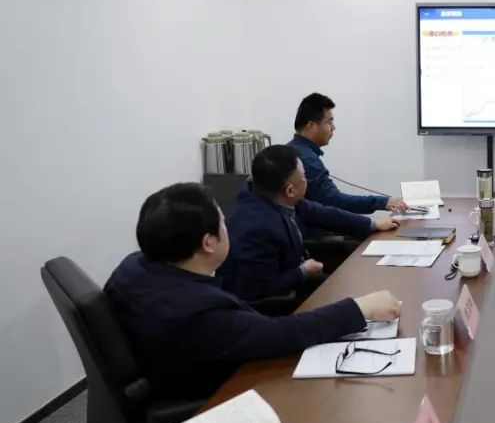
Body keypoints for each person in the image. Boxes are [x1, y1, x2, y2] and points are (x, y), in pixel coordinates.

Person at [105, 183, 402, 400]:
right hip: (221, 396)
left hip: (175, 370)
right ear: (208, 243)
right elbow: (279, 335)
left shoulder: (131, 269)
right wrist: (359, 308)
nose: (229, 227)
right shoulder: (200, 311)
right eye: (223, 223)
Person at [218, 144, 396, 303]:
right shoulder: (258, 227)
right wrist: (302, 271)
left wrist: (371, 224)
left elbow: (323, 213)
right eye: (304, 177)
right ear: (290, 190)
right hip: (270, 305)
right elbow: (254, 290)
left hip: (292, 275)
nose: (306, 181)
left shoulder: (268, 194)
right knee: (350, 296)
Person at [288, 93, 409, 215]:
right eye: (329, 122)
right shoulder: (308, 159)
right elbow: (334, 201)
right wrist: (382, 203)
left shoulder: (292, 149)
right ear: (311, 126)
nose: (333, 127)